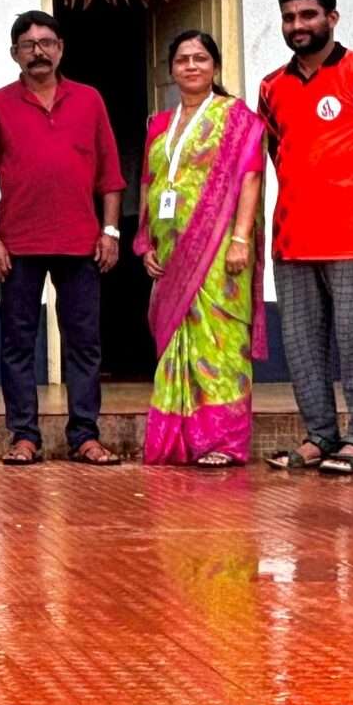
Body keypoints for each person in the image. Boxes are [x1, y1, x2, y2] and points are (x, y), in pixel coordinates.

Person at [257, 0, 353, 475]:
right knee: (301, 347)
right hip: (291, 238)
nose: (297, 25)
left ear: (332, 18)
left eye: (308, 15)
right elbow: (277, 151)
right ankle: (319, 436)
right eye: (289, 18)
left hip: (350, 236)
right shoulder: (272, 87)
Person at [0, 10, 123, 466]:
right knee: (18, 345)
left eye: (46, 43)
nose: (38, 52)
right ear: (14, 53)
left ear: (60, 49)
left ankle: (85, 436)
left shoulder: (89, 100)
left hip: (81, 242)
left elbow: (110, 174)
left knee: (85, 344)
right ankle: (24, 436)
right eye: (28, 45)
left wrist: (110, 231)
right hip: (17, 245)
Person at [135, 31, 268, 468]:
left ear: (215, 67)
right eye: (182, 60)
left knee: (220, 344)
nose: (191, 66)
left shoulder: (237, 118)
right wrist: (145, 241)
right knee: (177, 343)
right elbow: (150, 183)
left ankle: (223, 442)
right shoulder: (159, 123)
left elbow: (250, 177)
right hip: (170, 254)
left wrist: (241, 238)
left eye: (200, 58)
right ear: (171, 70)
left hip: (220, 251)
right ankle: (180, 440)